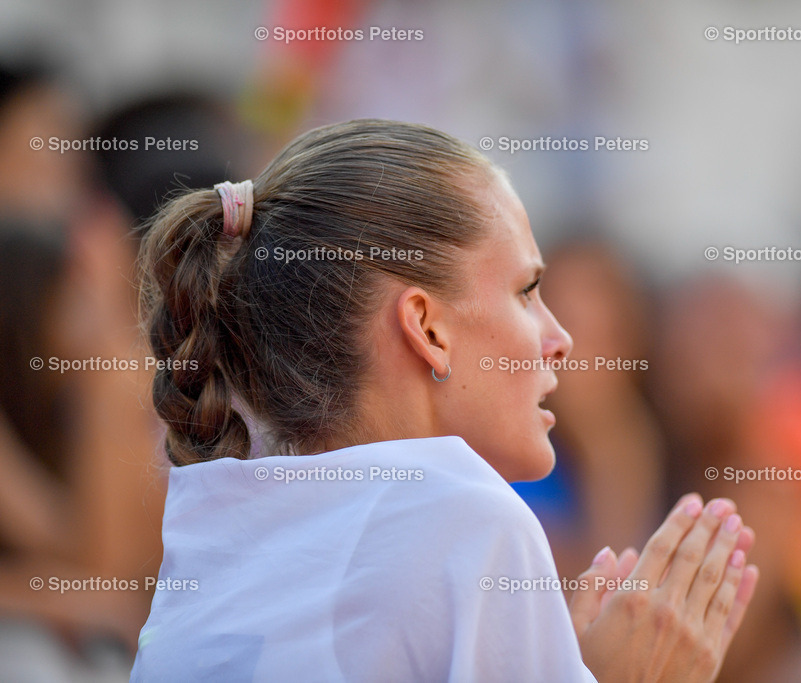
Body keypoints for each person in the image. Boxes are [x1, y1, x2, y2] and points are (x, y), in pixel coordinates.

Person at [130, 119, 759, 682]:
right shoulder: (468, 516)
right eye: (526, 290)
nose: (559, 338)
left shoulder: (219, 523)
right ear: (428, 329)